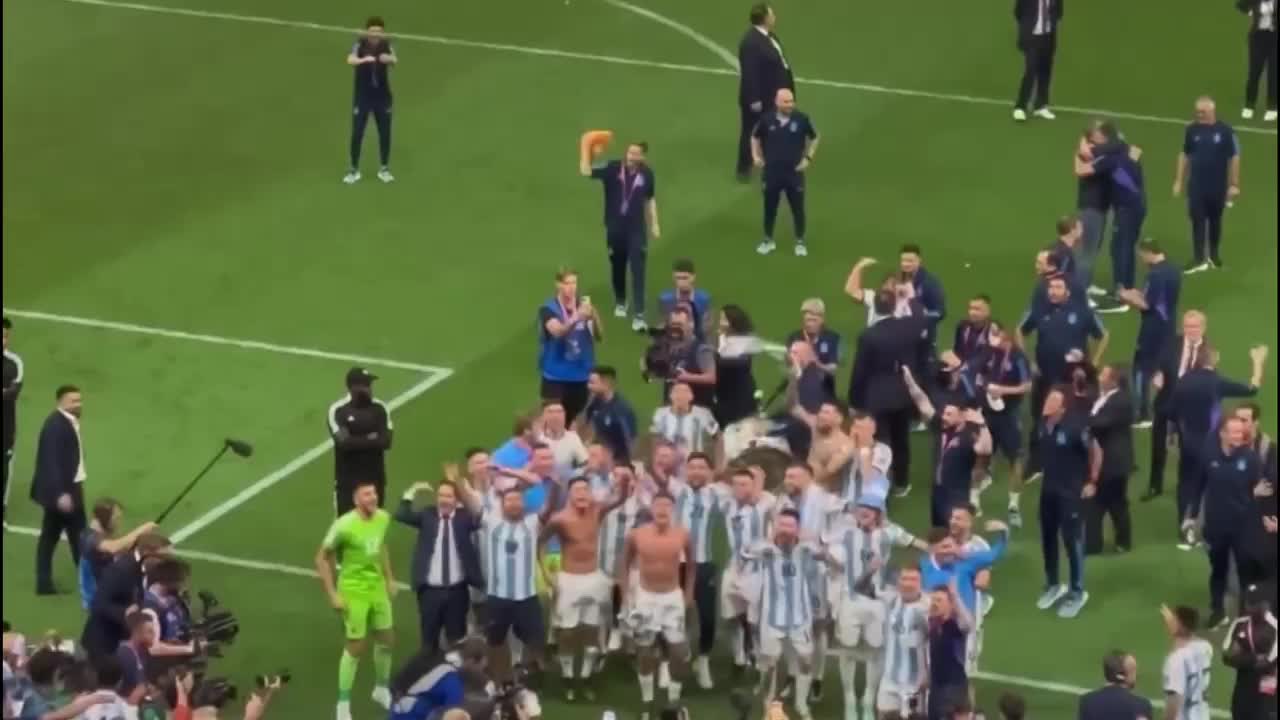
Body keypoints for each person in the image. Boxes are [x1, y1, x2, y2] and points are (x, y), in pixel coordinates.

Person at [824, 495, 926, 720]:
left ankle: (868, 699)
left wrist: (937, 552)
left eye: (871, 508)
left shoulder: (889, 533)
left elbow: (917, 544)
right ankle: (849, 699)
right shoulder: (844, 532)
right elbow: (824, 549)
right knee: (848, 648)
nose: (865, 511)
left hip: (878, 601)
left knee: (874, 650)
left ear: (879, 513)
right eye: (862, 507)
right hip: (850, 599)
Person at [538, 475, 630, 701]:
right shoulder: (559, 519)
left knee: (591, 630)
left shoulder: (597, 511)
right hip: (569, 580)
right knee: (567, 632)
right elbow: (540, 543)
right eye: (577, 490)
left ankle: (587, 677)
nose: (581, 494)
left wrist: (625, 482)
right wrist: (548, 574)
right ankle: (568, 679)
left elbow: (620, 499)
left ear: (590, 494)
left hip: (594, 579)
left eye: (585, 490)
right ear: (570, 494)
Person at [315, 480, 397, 720]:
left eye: (374, 493)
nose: (372, 497)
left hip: (377, 589)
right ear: (356, 499)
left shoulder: (383, 518)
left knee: (387, 638)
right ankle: (342, 704)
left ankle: (381, 689)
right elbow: (321, 558)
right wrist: (333, 594)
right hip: (353, 592)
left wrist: (389, 577)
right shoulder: (344, 525)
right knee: (356, 646)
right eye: (366, 494)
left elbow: (381, 546)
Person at [1170, 344, 1267, 547]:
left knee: (1187, 485)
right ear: (1214, 359)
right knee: (1209, 486)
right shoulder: (1216, 381)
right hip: (1208, 444)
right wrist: (1257, 363)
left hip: (1187, 443)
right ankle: (1206, 529)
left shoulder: (1183, 380)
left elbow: (1171, 411)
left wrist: (1174, 434)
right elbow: (1252, 389)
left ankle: (1185, 527)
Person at [1019, 275, 1107, 478]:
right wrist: (1029, 361)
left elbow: (1103, 335)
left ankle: (1083, 466)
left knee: (1077, 420)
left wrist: (1094, 361)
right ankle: (1036, 462)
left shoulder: (1083, 311)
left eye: (1058, 287)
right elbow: (1020, 330)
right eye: (1051, 287)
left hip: (1072, 379)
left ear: (1067, 291)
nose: (1053, 291)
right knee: (1040, 418)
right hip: (1045, 375)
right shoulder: (1039, 309)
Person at [741, 508, 826, 720]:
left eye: (790, 526)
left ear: (798, 529)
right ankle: (769, 707)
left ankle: (800, 703)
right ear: (776, 526)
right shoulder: (765, 549)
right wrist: (768, 540)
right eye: (782, 524)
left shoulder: (806, 548)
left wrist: (814, 539)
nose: (786, 530)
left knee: (806, 661)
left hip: (801, 618)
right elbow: (745, 553)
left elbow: (828, 557)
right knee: (771, 665)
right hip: (772, 619)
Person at [848, 291, 932, 498]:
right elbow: (924, 335)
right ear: (894, 306)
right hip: (903, 394)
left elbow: (860, 370)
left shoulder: (869, 335)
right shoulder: (909, 329)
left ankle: (878, 488)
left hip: (876, 398)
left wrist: (854, 399)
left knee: (880, 443)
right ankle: (902, 482)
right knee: (901, 439)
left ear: (875, 308)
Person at [619, 492, 695, 716]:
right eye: (658, 505)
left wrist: (688, 594)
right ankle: (647, 701)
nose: (662, 509)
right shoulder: (636, 535)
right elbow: (623, 565)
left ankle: (673, 701)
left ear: (673, 509)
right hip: (645, 597)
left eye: (667, 505)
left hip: (672, 597)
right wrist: (625, 596)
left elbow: (691, 566)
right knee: (644, 651)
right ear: (651, 509)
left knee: (678, 651)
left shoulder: (683, 535)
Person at [580, 140, 660, 332]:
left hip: (636, 231)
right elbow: (586, 171)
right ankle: (621, 301)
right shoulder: (612, 167)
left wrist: (654, 224)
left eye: (636, 153)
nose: (631, 156)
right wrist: (586, 147)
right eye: (629, 152)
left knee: (638, 270)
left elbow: (650, 200)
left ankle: (639, 314)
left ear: (643, 156)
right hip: (615, 228)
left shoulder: (647, 174)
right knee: (617, 266)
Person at [397, 478, 483, 654]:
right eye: (441, 495)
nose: (444, 500)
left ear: (456, 500)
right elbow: (402, 515)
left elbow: (479, 514)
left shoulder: (464, 518)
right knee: (428, 640)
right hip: (430, 592)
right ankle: (431, 675)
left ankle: (456, 676)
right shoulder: (427, 515)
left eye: (449, 496)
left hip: (457, 592)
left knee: (457, 640)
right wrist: (412, 491)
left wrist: (462, 486)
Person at [958, 320, 1031, 526]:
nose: (993, 338)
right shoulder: (988, 353)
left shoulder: (1018, 357)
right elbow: (969, 372)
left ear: (1006, 335)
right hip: (987, 415)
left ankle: (1013, 505)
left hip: (1009, 416)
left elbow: (1026, 386)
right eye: (991, 335)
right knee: (981, 458)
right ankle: (973, 500)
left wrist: (1003, 390)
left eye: (996, 334)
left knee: (1016, 459)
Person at [1035, 386, 1100, 619]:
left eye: (1053, 399)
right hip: (1048, 492)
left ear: (1062, 407)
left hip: (1070, 494)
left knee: (1072, 542)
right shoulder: (1042, 425)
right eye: (1048, 397)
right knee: (1048, 538)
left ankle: (1077, 591)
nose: (1047, 402)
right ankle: (1053, 584)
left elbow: (1096, 452)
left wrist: (1092, 481)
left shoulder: (1075, 427)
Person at [1200, 416, 1268, 628]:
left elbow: (1259, 490)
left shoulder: (1250, 458)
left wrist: (1254, 496)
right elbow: (1199, 486)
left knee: (1245, 572)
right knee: (1217, 570)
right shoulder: (1209, 455)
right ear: (1222, 433)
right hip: (1217, 525)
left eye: (1241, 432)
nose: (1240, 435)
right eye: (1235, 432)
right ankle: (1217, 610)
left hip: (1243, 527)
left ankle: (1244, 615)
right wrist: (1191, 515)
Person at [902, 367, 992, 528]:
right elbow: (923, 403)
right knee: (937, 532)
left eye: (949, 414)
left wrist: (983, 425)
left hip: (956, 496)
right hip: (938, 492)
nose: (944, 417)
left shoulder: (969, 436)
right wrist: (910, 382)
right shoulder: (941, 427)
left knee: (954, 537)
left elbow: (984, 450)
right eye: (944, 413)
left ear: (962, 415)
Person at [672, 454, 731, 690]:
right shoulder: (676, 491)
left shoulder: (718, 493)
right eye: (692, 467)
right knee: (674, 614)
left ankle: (703, 660)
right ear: (685, 470)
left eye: (701, 468)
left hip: (705, 563)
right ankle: (673, 660)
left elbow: (742, 495)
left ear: (709, 471)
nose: (696, 472)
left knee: (707, 618)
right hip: (676, 563)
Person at [1075, 123, 1146, 297]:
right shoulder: (1126, 152)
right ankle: (1087, 290)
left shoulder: (1109, 157)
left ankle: (1121, 290)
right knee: (1097, 249)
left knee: (1117, 248)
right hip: (1115, 206)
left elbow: (1081, 167)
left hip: (1123, 208)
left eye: (1097, 137)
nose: (1096, 142)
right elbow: (1137, 151)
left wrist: (1081, 146)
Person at [1144, 310, 1208, 502]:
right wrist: (1158, 374)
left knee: (1187, 449)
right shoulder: (1173, 343)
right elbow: (1159, 362)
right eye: (1188, 326)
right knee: (1157, 446)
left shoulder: (1208, 352)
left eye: (1195, 326)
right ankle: (1155, 485)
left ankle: (1186, 486)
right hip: (1166, 403)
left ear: (1203, 328)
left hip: (1189, 410)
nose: (1191, 330)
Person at [30, 385, 88, 596]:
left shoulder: (66, 422)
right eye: (73, 401)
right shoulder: (56, 426)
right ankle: (88, 582)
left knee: (52, 537)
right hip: (64, 493)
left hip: (67, 490)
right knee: (79, 537)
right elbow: (50, 462)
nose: (78, 405)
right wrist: (60, 494)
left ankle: (44, 584)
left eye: (79, 400)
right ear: (61, 402)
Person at [1173, 96, 1242, 273]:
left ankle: (1214, 256)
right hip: (1196, 186)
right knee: (1197, 220)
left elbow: (1234, 157)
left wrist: (1234, 183)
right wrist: (1179, 180)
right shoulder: (1191, 130)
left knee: (1216, 221)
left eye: (1203, 112)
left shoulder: (1226, 131)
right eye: (1197, 111)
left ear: (1212, 111)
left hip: (1218, 186)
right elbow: (1184, 154)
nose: (1199, 115)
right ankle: (1198, 258)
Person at [720, 467, 776, 677]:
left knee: (755, 620)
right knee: (731, 616)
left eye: (744, 484)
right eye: (736, 484)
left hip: (757, 570)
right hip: (733, 568)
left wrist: (758, 484)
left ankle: (759, 655)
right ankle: (739, 657)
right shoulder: (727, 503)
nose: (739, 488)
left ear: (754, 486)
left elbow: (771, 506)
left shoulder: (766, 502)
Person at [1118, 239, 1182, 426]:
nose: (1141, 259)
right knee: (1165, 367)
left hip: (1152, 329)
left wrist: (1125, 297)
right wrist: (1135, 293)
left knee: (1141, 369)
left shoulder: (1154, 275)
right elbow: (1156, 298)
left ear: (1148, 253)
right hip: (1168, 326)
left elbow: (1147, 304)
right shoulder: (1173, 269)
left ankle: (1142, 414)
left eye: (1141, 255)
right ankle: (1170, 409)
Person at [81, 532, 172, 659]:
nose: (166, 563)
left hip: (123, 640)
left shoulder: (147, 569)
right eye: (163, 557)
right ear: (147, 553)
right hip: (104, 643)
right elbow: (98, 603)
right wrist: (126, 613)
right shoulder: (120, 571)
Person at [751, 88, 818, 257]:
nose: (790, 105)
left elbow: (815, 137)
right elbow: (755, 137)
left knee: (797, 208)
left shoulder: (802, 119)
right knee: (769, 208)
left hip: (793, 173)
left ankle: (800, 241)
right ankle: (768, 240)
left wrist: (808, 158)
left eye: (791, 101)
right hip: (772, 172)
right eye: (786, 102)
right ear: (777, 102)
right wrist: (755, 156)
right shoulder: (767, 120)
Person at [736, 2, 794, 181]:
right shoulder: (751, 42)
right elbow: (750, 72)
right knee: (752, 133)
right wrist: (754, 99)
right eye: (772, 14)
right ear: (764, 19)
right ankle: (744, 169)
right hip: (760, 98)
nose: (774, 17)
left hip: (773, 94)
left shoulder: (769, 37)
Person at [539, 268, 601, 424]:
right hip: (555, 377)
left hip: (580, 375)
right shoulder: (548, 309)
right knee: (551, 423)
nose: (571, 287)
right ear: (558, 285)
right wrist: (576, 317)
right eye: (567, 283)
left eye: (574, 282)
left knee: (572, 422)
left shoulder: (584, 305)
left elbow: (599, 336)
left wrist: (594, 316)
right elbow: (557, 331)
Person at [329, 366, 394, 514]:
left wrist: (356, 439)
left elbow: (386, 442)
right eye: (365, 385)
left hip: (375, 483)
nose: (369, 389)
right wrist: (372, 437)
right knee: (346, 532)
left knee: (374, 530)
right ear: (353, 387)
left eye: (369, 385)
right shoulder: (338, 410)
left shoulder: (380, 408)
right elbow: (344, 443)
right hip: (348, 485)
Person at [1085, 366, 1135, 555]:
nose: (1099, 377)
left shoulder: (1120, 400)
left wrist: (1081, 419)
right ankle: (1105, 543)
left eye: (1103, 375)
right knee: (1108, 503)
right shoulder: (1106, 396)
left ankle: (1097, 544)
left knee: (1110, 503)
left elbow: (1101, 423)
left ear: (1113, 381)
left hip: (1113, 461)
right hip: (1106, 459)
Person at [77, 497, 158, 610]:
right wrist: (141, 530)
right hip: (99, 599)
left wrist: (138, 539)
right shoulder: (89, 538)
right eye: (116, 518)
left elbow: (119, 550)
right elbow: (114, 548)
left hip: (108, 592)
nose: (118, 523)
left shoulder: (98, 535)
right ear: (105, 518)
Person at [343, 16, 396, 184]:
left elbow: (394, 59)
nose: (375, 34)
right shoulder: (360, 44)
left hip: (382, 97)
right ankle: (353, 170)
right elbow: (350, 59)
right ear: (367, 31)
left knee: (385, 133)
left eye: (379, 32)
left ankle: (384, 169)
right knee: (357, 132)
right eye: (372, 31)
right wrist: (362, 60)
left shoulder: (386, 45)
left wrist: (388, 59)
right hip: (363, 97)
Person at [387, 636, 488, 720]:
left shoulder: (440, 656)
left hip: (399, 709)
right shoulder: (452, 682)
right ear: (471, 661)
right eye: (481, 668)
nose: (481, 672)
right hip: (411, 715)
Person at [1223, 584, 1278, 720]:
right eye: (1248, 602)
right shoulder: (1239, 623)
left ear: (1264, 604)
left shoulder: (1275, 628)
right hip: (1243, 683)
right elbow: (1227, 656)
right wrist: (1254, 658)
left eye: (1253, 604)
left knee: (1263, 716)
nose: (1248, 607)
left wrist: (1242, 656)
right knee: (1239, 714)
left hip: (1267, 683)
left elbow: (1267, 663)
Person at [714, 305, 763, 460]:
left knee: (743, 438)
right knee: (725, 439)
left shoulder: (745, 342)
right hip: (723, 397)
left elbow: (739, 363)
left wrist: (716, 356)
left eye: (723, 319)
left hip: (741, 397)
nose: (720, 322)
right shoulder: (719, 340)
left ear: (733, 322)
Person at [926, 580, 976, 720]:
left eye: (939, 600)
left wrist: (955, 597)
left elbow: (968, 624)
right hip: (936, 687)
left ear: (950, 604)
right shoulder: (932, 623)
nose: (935, 603)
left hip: (954, 687)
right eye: (933, 600)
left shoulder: (955, 625)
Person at [1160, 604, 1215, 720]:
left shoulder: (1175, 660)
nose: (1168, 622)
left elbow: (1174, 701)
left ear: (1180, 625)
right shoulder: (1206, 647)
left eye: (1173, 620)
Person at [1012, 0, 1063, 121]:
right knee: (1031, 69)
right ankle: (1020, 106)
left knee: (1045, 71)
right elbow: (1018, 12)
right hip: (1031, 38)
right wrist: (1026, 28)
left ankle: (1040, 105)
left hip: (1048, 37)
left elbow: (1059, 12)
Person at [650, 382, 721, 462]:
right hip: (668, 465)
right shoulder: (660, 413)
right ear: (670, 396)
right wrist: (655, 463)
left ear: (691, 397)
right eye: (676, 392)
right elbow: (654, 439)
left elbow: (718, 437)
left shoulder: (703, 414)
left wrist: (720, 464)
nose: (680, 395)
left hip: (693, 464)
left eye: (685, 392)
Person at [1076, 650, 1155, 720]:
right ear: (1122, 676)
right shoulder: (1141, 705)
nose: (1137, 675)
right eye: (1133, 670)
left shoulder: (1087, 701)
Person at [786, 298, 841, 398]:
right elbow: (790, 366)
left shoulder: (833, 338)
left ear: (822, 320)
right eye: (807, 320)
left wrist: (815, 363)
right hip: (800, 393)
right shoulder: (794, 338)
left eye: (814, 320)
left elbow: (832, 369)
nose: (809, 324)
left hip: (825, 393)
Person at [582, 366, 638, 463]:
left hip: (616, 460)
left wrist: (623, 464)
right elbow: (586, 425)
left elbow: (630, 441)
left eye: (592, 383)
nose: (588, 386)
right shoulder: (594, 402)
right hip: (597, 455)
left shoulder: (621, 410)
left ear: (606, 384)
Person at [844, 258, 918, 328]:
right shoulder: (875, 296)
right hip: (874, 336)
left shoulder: (907, 306)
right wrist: (859, 266)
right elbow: (851, 289)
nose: (888, 287)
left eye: (894, 285)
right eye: (887, 284)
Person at [1239, 0, 1278, 121]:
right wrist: (1252, 12)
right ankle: (1249, 105)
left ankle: (1272, 107)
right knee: (1254, 72)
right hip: (1257, 38)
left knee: (1273, 74)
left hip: (1275, 38)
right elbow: (1240, 5)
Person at [657, 259, 712, 342]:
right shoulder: (665, 299)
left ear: (693, 277)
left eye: (685, 278)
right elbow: (662, 324)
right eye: (678, 278)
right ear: (673, 278)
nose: (681, 283)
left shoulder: (703, 299)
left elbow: (707, 328)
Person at [899, 245, 947, 332]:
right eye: (903, 260)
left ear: (919, 260)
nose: (905, 264)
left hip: (922, 337)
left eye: (910, 261)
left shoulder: (930, 282)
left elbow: (940, 312)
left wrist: (918, 317)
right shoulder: (897, 280)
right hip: (901, 333)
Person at [539, 400, 588, 482]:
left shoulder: (573, 438)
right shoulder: (538, 439)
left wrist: (571, 475)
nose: (555, 416)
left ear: (564, 416)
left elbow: (585, 464)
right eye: (550, 412)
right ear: (544, 416)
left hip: (566, 485)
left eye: (559, 412)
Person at [2, 316, 21, 526]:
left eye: (5, 336)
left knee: (5, 469)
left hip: (6, 428)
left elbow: (13, 392)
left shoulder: (14, 363)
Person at [115, 611, 155, 704]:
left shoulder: (143, 650)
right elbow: (137, 692)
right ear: (137, 634)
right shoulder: (126, 653)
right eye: (150, 632)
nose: (154, 635)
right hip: (121, 705)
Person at [951, 296, 993, 367]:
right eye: (970, 308)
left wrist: (965, 365)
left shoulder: (993, 332)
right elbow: (957, 350)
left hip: (983, 372)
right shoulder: (962, 326)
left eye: (977, 309)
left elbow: (986, 358)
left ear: (987, 312)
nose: (972, 312)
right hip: (961, 368)